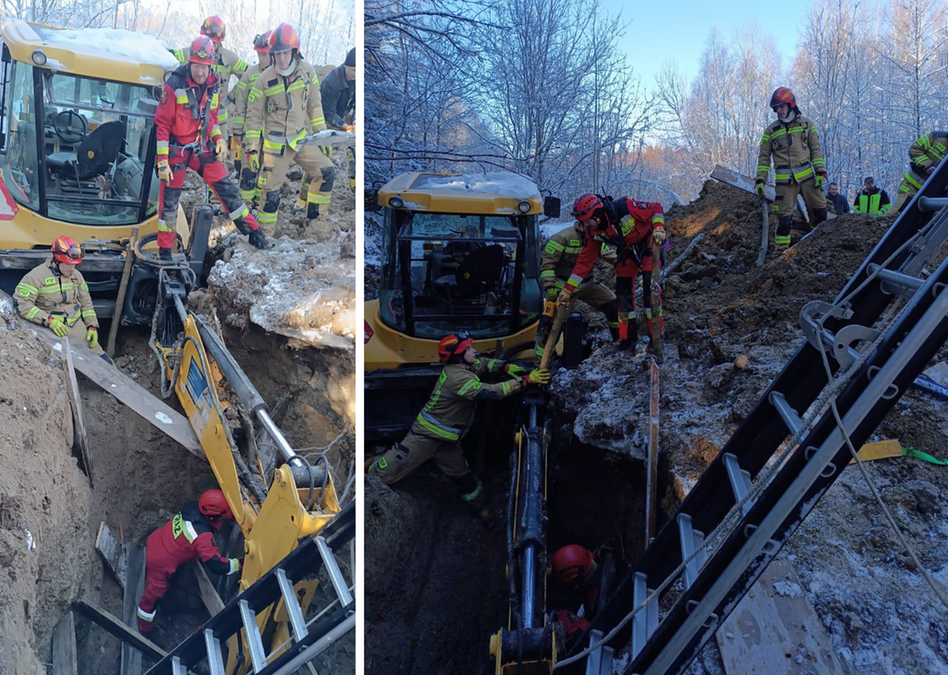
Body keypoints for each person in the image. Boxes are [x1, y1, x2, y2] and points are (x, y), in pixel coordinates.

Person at [367, 332, 549, 525]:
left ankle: (483, 510)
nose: (475, 351)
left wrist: (503, 366)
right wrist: (525, 381)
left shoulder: (465, 366)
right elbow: (491, 392)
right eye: (470, 349)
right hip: (425, 438)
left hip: (448, 443)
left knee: (465, 480)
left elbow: (484, 363)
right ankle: (369, 470)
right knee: (384, 474)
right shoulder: (457, 379)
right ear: (459, 356)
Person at [155, 36, 269, 257]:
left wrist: (218, 139)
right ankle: (165, 252)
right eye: (196, 66)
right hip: (176, 151)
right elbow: (162, 124)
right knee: (168, 203)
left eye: (204, 67)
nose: (200, 72)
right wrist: (162, 161)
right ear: (190, 64)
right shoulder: (174, 85)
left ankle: (254, 233)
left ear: (210, 66)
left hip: (202, 148)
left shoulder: (213, 85)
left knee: (228, 191)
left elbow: (213, 119)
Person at [244, 23, 335, 238]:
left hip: (301, 139)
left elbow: (315, 105)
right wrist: (251, 149)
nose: (282, 58)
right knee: (270, 192)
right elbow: (253, 118)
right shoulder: (263, 81)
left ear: (294, 51)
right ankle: (265, 235)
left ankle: (314, 224)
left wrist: (322, 136)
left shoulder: (308, 72)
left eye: (285, 53)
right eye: (277, 54)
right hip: (275, 147)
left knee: (327, 172)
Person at [562, 194, 666, 351]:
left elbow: (656, 208)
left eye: (585, 221)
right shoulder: (593, 233)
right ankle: (627, 339)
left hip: (650, 243)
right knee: (622, 292)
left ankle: (656, 337)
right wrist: (567, 289)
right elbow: (584, 262)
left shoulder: (624, 208)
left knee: (649, 290)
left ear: (596, 216)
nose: (583, 226)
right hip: (628, 250)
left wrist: (658, 227)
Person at [136, 490, 241, 632]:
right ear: (213, 516)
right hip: (160, 562)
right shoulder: (201, 536)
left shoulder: (193, 507)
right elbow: (216, 565)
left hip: (156, 539)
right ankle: (145, 626)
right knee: (153, 595)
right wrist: (238, 564)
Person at [14, 236, 112, 364]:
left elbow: (86, 303)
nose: (72, 269)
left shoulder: (76, 276)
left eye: (75, 265)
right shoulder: (36, 276)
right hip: (49, 329)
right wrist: (48, 320)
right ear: (57, 261)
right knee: (56, 366)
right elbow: (21, 304)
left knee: (104, 361)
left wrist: (92, 325)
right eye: (69, 265)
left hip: (76, 325)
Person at [755, 88, 827, 251]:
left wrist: (820, 171)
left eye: (781, 106)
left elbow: (816, 150)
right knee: (784, 219)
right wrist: (760, 179)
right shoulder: (771, 131)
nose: (778, 111)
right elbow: (764, 158)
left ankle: (820, 249)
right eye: (775, 108)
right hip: (785, 183)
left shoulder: (807, 125)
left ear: (790, 104)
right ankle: (782, 254)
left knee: (820, 212)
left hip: (808, 179)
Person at [536, 220, 619, 360]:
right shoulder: (562, 238)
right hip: (562, 288)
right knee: (553, 326)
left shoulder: (595, 238)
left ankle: (620, 342)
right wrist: (550, 287)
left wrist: (634, 265)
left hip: (587, 284)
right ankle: (540, 366)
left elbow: (611, 256)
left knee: (614, 305)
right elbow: (547, 266)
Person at [172, 16, 248, 145]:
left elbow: (250, 76)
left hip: (219, 119)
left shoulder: (229, 58)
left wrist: (231, 96)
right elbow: (168, 59)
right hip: (192, 117)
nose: (211, 45)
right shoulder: (190, 52)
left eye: (215, 42)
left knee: (219, 155)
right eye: (209, 41)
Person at [229, 31, 274, 207]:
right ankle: (245, 203)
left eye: (264, 54)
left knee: (266, 169)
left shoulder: (281, 75)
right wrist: (237, 133)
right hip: (252, 132)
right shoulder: (250, 75)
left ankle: (257, 201)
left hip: (272, 133)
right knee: (248, 168)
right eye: (259, 54)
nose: (261, 58)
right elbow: (240, 106)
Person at [320, 47, 356, 188]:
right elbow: (328, 113)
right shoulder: (331, 82)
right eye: (353, 70)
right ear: (345, 66)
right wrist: (344, 126)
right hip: (326, 118)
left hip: (345, 114)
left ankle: (354, 183)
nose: (356, 74)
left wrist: (355, 121)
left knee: (355, 146)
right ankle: (303, 198)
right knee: (321, 154)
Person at [891, 132, 948, 215]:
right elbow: (915, 149)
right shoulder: (936, 137)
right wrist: (927, 165)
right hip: (911, 187)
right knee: (894, 218)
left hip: (934, 198)